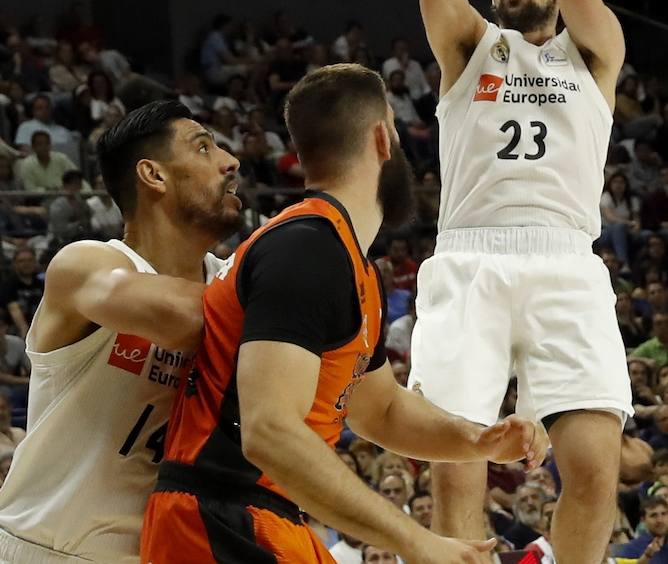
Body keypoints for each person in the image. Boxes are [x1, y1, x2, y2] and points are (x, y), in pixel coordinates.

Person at [142, 64, 548, 564]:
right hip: (218, 516)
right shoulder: (306, 250)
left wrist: (478, 440)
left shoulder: (352, 264)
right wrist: (414, 540)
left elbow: (380, 410)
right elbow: (269, 431)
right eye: (397, 134)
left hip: (267, 515)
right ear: (382, 138)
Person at [408, 0, 632, 564]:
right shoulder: (470, 46)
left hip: (568, 263)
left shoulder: (597, 50)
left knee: (596, 472)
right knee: (458, 469)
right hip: (471, 257)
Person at [0, 100, 241, 563]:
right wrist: (289, 302)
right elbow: (186, 317)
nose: (231, 162)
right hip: (43, 549)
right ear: (154, 175)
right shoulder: (86, 263)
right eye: (205, 148)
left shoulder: (230, 279)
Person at [615, 496, 668, 562]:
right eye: (653, 515)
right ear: (643, 520)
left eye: (664, 514)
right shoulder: (632, 548)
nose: (660, 520)